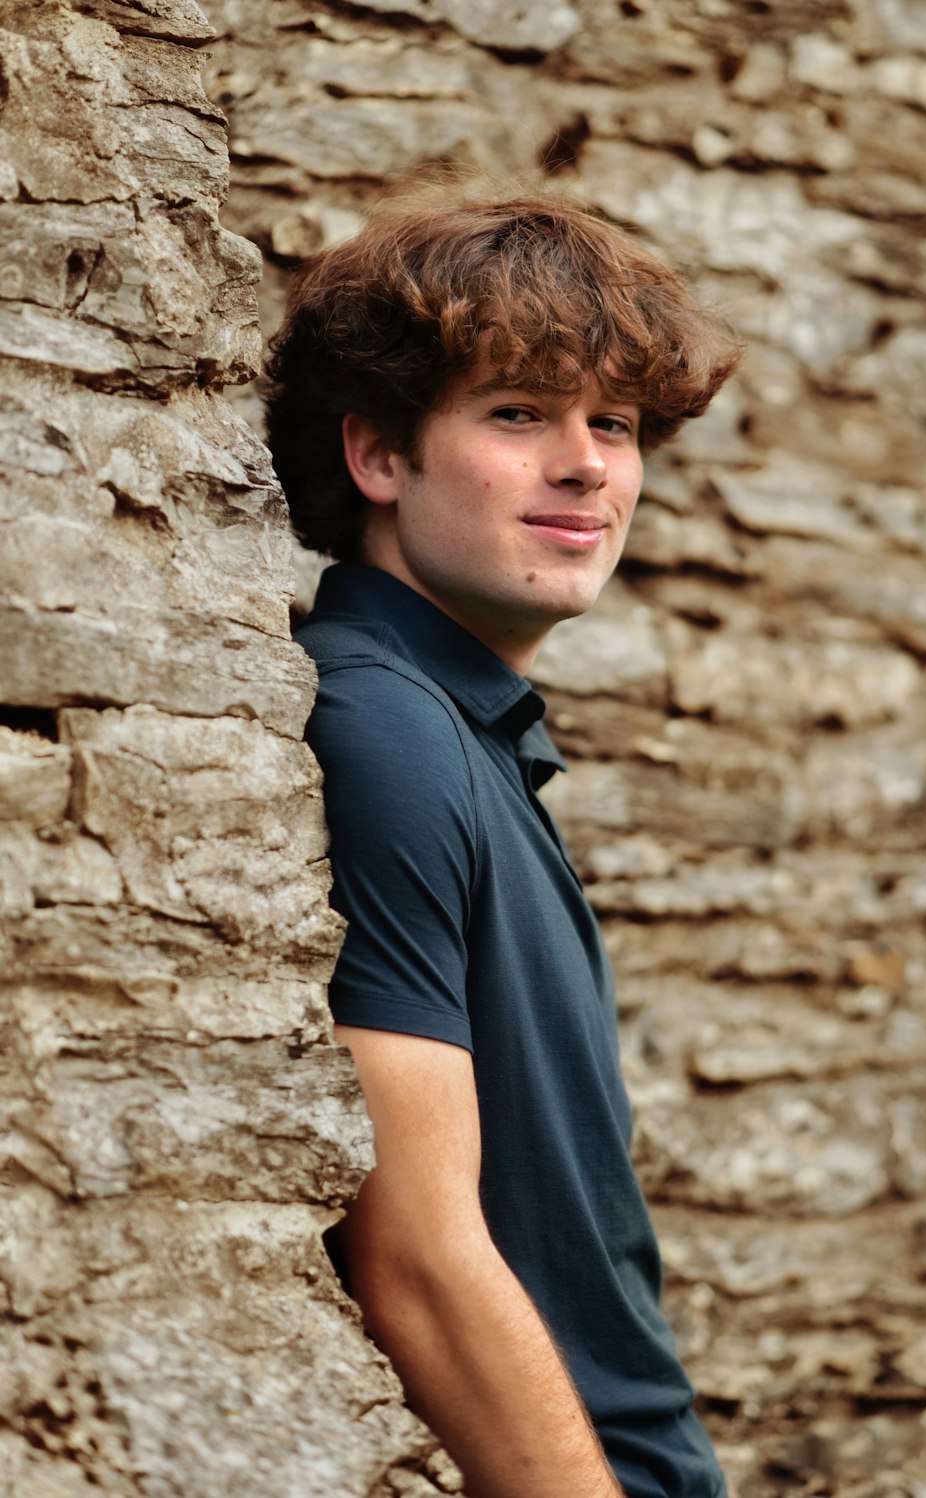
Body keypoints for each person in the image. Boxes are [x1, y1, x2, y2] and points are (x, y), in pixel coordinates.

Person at [265, 186, 742, 1498]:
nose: (586, 463)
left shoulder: (463, 735)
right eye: (520, 412)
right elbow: (415, 1247)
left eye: (615, 424)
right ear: (378, 455)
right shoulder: (385, 728)